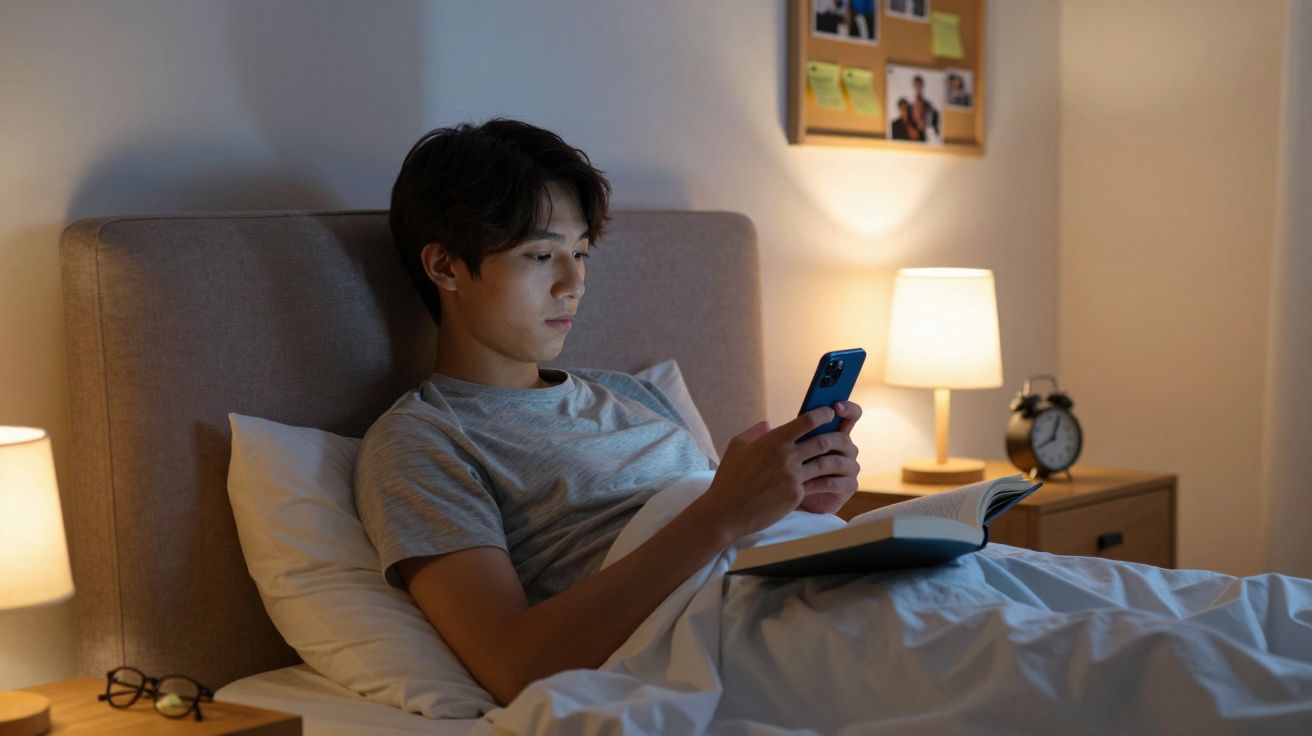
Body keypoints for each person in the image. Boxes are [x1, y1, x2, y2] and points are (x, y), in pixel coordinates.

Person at [354, 118, 863, 707]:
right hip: (741, 639)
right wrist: (724, 512)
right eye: (541, 254)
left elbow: (727, 535)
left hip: (791, 593)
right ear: (444, 268)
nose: (573, 283)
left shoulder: (632, 393)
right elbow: (516, 664)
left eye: (580, 252)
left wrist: (803, 501)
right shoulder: (421, 440)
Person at [911, 74, 940, 140]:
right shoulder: (911, 106)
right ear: (914, 86)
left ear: (922, 86)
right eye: (916, 85)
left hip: (926, 137)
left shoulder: (928, 105)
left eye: (919, 85)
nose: (918, 87)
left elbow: (934, 123)